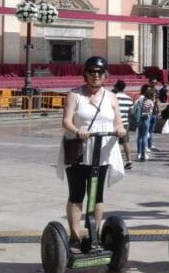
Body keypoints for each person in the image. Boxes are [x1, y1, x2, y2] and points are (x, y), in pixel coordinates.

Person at [57, 56, 126, 250]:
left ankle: (94, 235)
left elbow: (118, 121)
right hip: (78, 149)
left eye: (99, 72)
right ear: (85, 74)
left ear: (106, 75)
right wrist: (77, 130)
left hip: (102, 150)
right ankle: (75, 236)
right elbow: (66, 121)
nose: (95, 75)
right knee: (77, 194)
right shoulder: (75, 94)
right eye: (91, 72)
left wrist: (120, 129)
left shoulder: (111, 97)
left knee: (97, 196)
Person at [112, 80, 133, 170]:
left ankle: (114, 160)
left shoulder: (113, 97)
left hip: (114, 123)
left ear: (116, 87)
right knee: (126, 142)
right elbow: (130, 112)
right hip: (125, 123)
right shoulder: (128, 98)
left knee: (113, 142)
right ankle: (129, 161)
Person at [137, 88, 157, 162]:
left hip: (141, 119)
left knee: (140, 136)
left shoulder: (143, 100)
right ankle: (143, 153)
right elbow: (147, 111)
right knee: (145, 137)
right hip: (146, 119)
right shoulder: (150, 102)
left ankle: (139, 153)